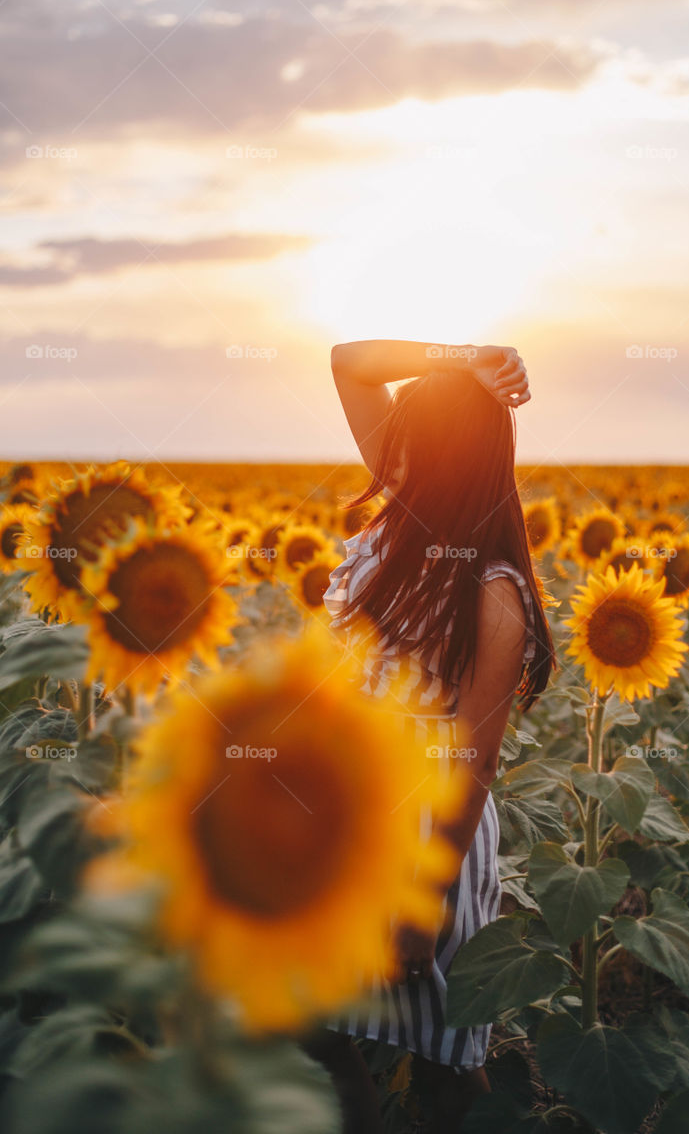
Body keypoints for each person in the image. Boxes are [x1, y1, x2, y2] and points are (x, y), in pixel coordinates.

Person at [301, 340, 556, 1134]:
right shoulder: (397, 527)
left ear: (443, 455)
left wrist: (423, 899)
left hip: (424, 839)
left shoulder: (491, 592)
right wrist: (467, 357)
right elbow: (348, 361)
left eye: (412, 437)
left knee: (446, 1060)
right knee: (311, 1023)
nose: (390, 451)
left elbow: (472, 760)